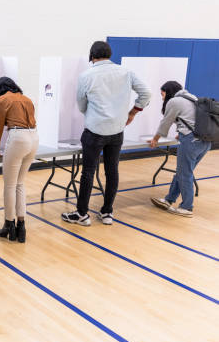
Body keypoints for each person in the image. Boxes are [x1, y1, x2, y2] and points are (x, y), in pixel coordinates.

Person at [62, 41, 152, 226]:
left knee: (88, 172)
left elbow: (81, 104)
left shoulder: (86, 75)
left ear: (92, 56)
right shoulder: (126, 72)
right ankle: (107, 213)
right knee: (112, 172)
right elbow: (147, 93)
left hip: (95, 130)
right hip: (117, 131)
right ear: (109, 54)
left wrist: (92, 112)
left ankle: (82, 215)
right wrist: (133, 113)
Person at [148, 81, 211, 217]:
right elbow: (192, 119)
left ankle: (187, 207)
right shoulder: (192, 97)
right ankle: (169, 199)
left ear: (168, 91)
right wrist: (181, 131)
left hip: (191, 142)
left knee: (184, 174)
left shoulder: (175, 101)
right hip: (205, 142)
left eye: (162, 94)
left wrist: (155, 139)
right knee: (183, 172)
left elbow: (165, 122)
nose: (162, 97)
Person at [0, 77, 38, 242]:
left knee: (9, 185)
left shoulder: (2, 100)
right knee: (20, 183)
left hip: (18, 137)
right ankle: (21, 226)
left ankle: (8, 226)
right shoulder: (27, 99)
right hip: (34, 138)